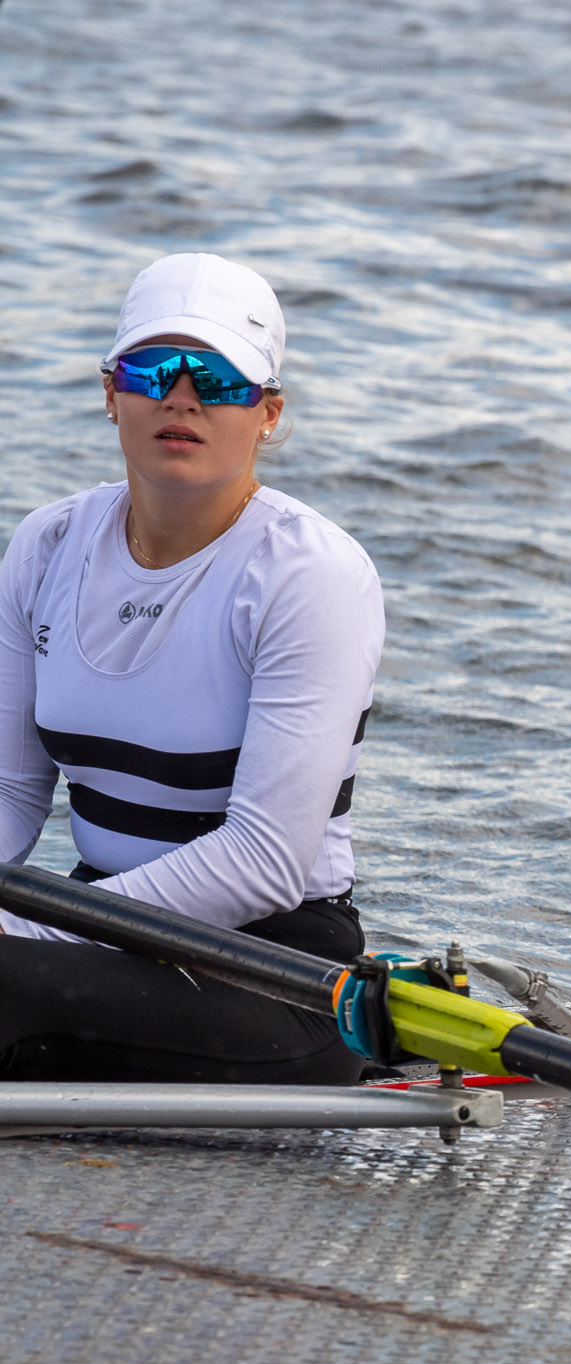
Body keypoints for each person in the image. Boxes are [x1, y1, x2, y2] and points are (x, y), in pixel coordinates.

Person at [0, 253, 384, 1082]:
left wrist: (34, 929)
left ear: (268, 412)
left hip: (274, 972)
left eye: (216, 376)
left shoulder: (308, 574)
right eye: (151, 369)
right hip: (98, 933)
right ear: (111, 394)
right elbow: (9, 794)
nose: (182, 395)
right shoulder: (48, 546)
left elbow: (264, 858)